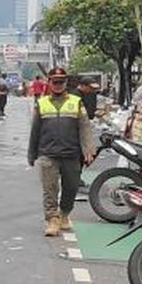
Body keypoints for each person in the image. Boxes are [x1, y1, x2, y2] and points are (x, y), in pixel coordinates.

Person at [28, 66, 97, 237]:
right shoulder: (41, 104)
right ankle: (52, 219)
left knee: (71, 187)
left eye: (61, 82)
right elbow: (35, 131)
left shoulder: (76, 102)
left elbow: (85, 127)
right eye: (55, 82)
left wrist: (88, 148)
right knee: (50, 189)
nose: (58, 85)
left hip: (71, 153)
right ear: (49, 83)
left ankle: (64, 214)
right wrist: (32, 153)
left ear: (66, 83)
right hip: (48, 154)